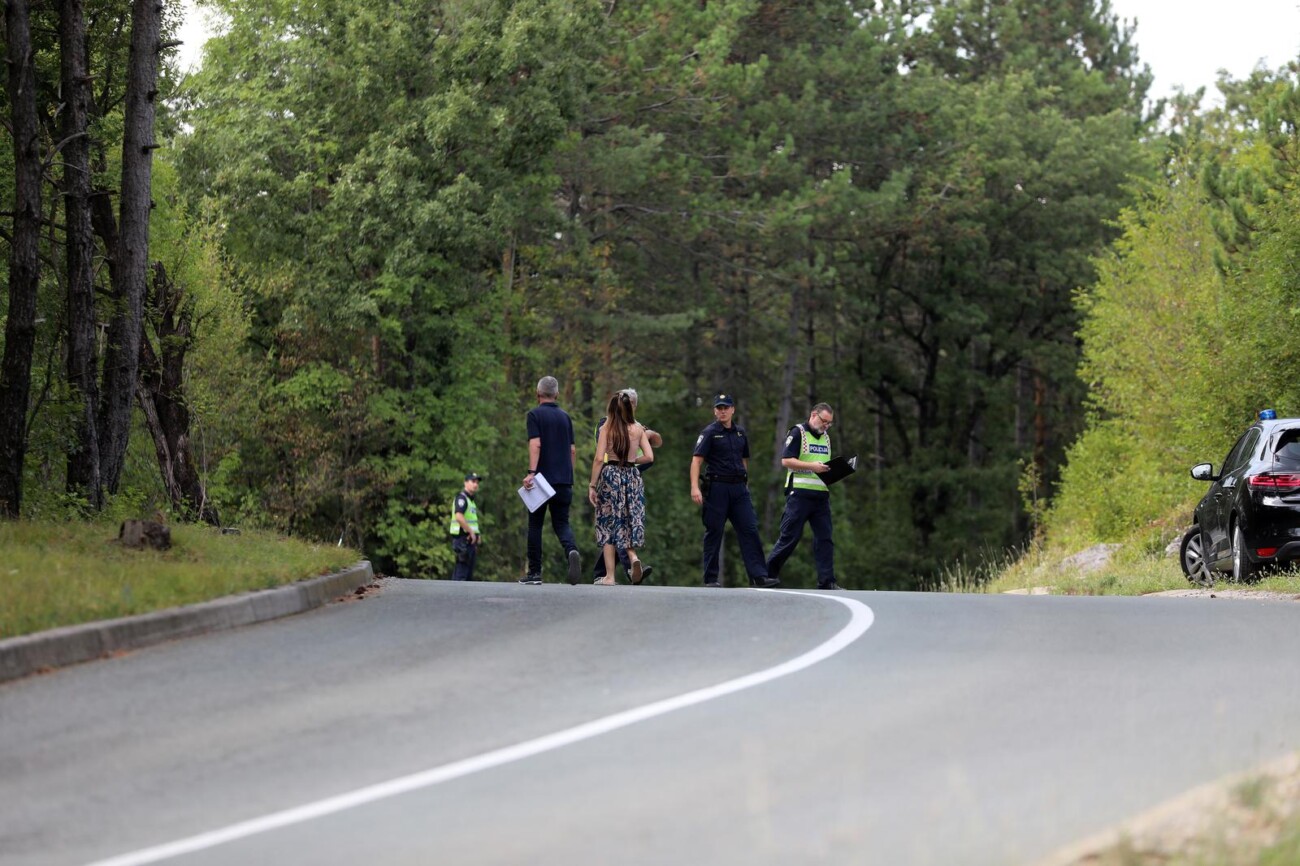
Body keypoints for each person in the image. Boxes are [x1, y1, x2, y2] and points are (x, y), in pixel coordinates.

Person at [689, 393, 779, 588]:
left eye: (725, 407)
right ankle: (711, 578)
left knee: (750, 529)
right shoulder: (709, 433)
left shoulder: (740, 433)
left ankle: (759, 576)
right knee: (714, 531)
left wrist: (745, 481)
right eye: (719, 408)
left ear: (732, 410)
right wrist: (695, 487)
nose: (722, 411)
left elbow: (744, 458)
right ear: (715, 411)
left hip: (739, 489)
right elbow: (697, 460)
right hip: (718, 488)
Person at [766, 402, 842, 590]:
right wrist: (812, 467)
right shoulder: (798, 432)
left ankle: (827, 581)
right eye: (824, 421)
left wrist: (835, 471)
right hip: (799, 494)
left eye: (829, 423)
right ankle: (765, 574)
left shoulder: (826, 438)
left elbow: (822, 464)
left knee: (825, 538)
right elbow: (786, 460)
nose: (826, 426)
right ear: (813, 415)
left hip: (821, 495)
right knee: (790, 537)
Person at [592, 388, 663, 584]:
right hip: (632, 476)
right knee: (628, 521)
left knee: (608, 523)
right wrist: (631, 460)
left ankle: (609, 576)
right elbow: (650, 456)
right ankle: (633, 558)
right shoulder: (638, 428)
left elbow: (599, 458)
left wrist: (592, 484)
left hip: (611, 474)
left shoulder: (607, 427)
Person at [521, 376, 582, 585]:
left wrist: (531, 472)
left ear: (537, 394)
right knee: (562, 523)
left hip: (541, 481)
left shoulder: (534, 415)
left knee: (535, 525)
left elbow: (535, 444)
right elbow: (572, 450)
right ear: (556, 394)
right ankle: (571, 550)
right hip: (564, 480)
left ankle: (535, 572)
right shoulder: (566, 418)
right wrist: (568, 474)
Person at [449, 472, 482, 581]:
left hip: (470, 542)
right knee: (461, 576)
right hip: (463, 540)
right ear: (465, 483)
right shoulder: (462, 498)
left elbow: (472, 521)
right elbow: (459, 516)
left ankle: (461, 597)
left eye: (477, 482)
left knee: (467, 576)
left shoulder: (471, 501)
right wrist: (471, 532)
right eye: (473, 481)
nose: (475, 484)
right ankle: (456, 597)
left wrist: (477, 535)